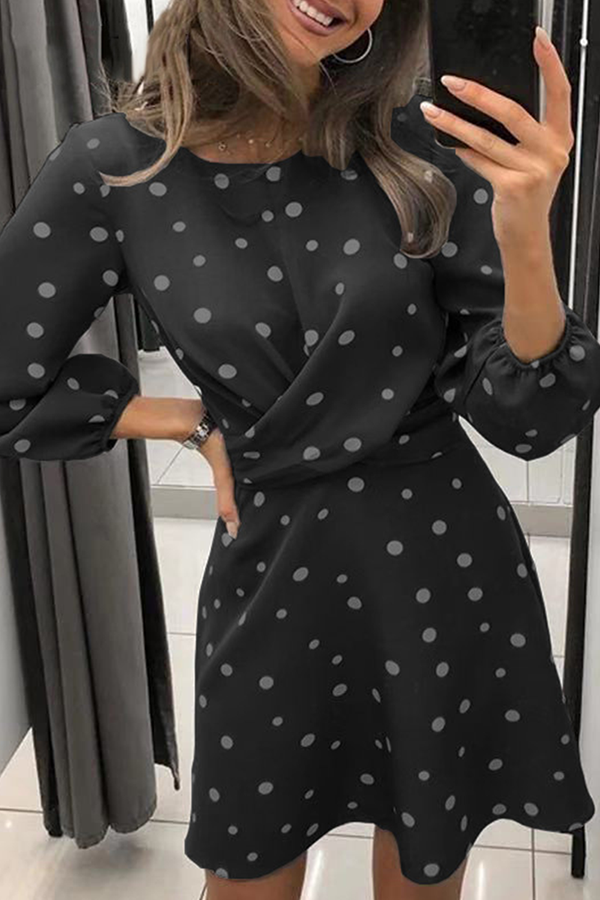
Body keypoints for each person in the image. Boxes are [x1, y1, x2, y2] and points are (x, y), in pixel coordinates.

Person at [1, 1, 599, 898]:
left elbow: (530, 418)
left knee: (428, 858)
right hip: (272, 564)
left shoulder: (417, 141)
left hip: (441, 557)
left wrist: (525, 230)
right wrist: (180, 421)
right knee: (249, 870)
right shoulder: (117, 165)